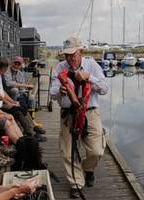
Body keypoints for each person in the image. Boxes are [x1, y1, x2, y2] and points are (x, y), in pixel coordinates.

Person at [50, 37, 109, 198]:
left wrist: (89, 77)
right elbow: (52, 92)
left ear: (81, 51)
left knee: (96, 151)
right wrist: (59, 91)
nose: (69, 58)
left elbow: (104, 89)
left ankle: (88, 169)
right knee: (68, 151)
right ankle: (76, 183)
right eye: (66, 55)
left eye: (72, 54)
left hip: (90, 111)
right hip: (69, 114)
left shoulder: (92, 65)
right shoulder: (59, 68)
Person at [0, 58, 46, 141]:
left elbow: (2, 92)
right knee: (18, 110)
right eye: (6, 68)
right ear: (4, 67)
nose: (6, 71)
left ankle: (32, 128)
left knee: (22, 106)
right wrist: (10, 103)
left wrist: (12, 101)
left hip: (3, 102)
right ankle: (31, 133)